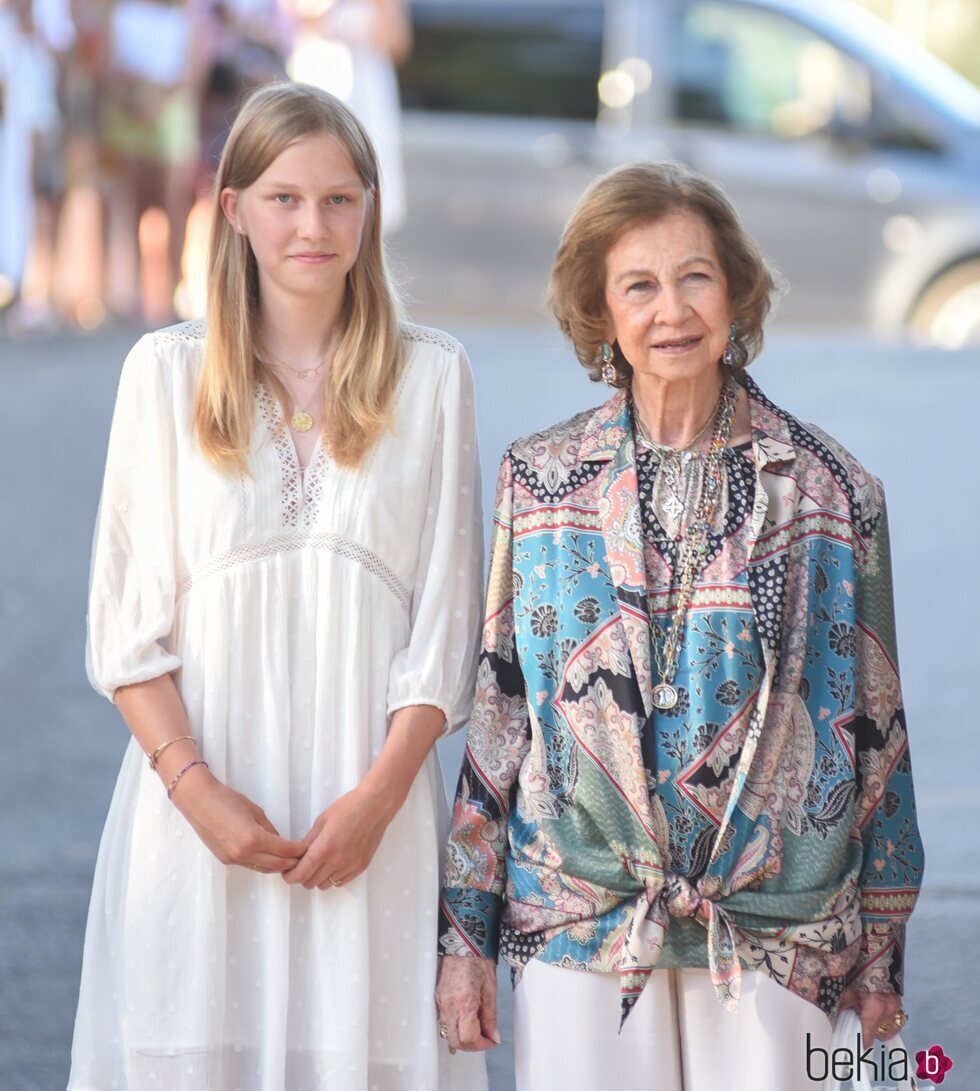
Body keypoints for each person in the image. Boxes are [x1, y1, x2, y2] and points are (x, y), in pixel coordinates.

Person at [435, 161, 923, 1091]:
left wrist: (883, 949)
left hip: (781, 923)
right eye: (640, 285)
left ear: (736, 290)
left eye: (696, 276)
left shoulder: (833, 489)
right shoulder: (537, 483)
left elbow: (880, 733)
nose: (673, 310)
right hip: (580, 918)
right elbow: (498, 719)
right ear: (601, 310)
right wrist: (465, 935)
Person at [70, 81, 488, 1091]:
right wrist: (194, 789)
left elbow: (447, 620)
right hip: (199, 819)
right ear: (233, 208)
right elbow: (126, 624)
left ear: (369, 210)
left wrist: (381, 799)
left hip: (369, 816)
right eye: (285, 198)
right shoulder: (162, 374)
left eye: (340, 199)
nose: (314, 224)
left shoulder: (432, 375)